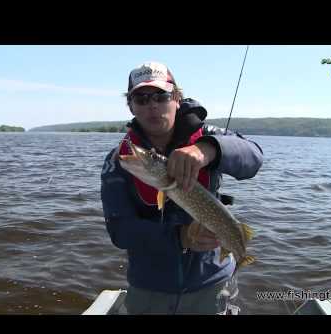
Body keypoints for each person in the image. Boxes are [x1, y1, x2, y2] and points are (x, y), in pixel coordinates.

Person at [100, 61, 263, 314]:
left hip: (211, 282)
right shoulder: (118, 161)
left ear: (177, 98)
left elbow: (254, 157)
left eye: (161, 96)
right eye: (141, 99)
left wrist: (208, 149)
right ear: (131, 106)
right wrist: (180, 237)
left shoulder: (209, 136)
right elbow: (120, 231)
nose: (152, 105)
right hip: (149, 286)